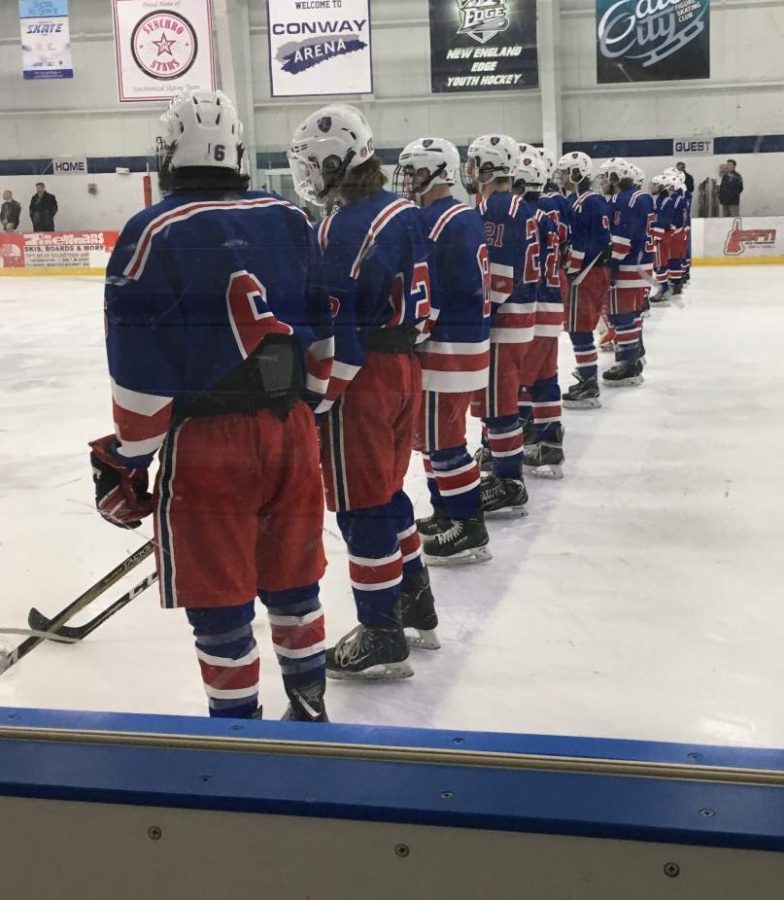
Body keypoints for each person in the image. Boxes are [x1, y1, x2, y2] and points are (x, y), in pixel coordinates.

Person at [88, 89, 333, 723]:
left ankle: (237, 737)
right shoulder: (294, 219)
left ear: (168, 154)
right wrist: (305, 410)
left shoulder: (153, 231)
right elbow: (326, 338)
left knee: (221, 596)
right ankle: (310, 706)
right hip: (293, 429)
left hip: (209, 445)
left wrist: (124, 457)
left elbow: (140, 376)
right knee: (293, 577)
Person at [289, 104, 438, 676]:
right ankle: (414, 599)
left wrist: (317, 400)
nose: (310, 174)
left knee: (360, 505)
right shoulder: (403, 212)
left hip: (365, 378)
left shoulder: (341, 225)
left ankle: (381, 629)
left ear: (336, 158)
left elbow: (341, 339)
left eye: (313, 163)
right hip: (404, 369)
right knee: (390, 491)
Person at [395, 137, 492, 565]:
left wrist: (408, 337)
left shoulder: (435, 220)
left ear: (437, 172)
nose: (409, 181)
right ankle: (446, 513)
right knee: (435, 440)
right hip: (465, 343)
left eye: (414, 171)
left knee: (444, 444)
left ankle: (468, 526)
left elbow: (427, 294)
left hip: (446, 348)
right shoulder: (463, 215)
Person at [466, 133, 538, 517]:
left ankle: (509, 480)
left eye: (477, 163)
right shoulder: (513, 205)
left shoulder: (497, 207)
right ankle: (502, 467)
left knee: (499, 406)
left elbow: (500, 277)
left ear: (490, 167)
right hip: (519, 315)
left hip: (505, 320)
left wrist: (480, 322)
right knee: (499, 402)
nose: (472, 170)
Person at [512, 153, 566, 478]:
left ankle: (504, 451)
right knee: (545, 380)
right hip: (551, 306)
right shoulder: (548, 216)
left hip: (528, 312)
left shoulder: (517, 216)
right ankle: (549, 445)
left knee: (516, 384)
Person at [556, 151, 612, 409]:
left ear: (579, 173)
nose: (563, 177)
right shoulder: (592, 200)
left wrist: (572, 270)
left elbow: (583, 243)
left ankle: (589, 384)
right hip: (595, 272)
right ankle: (588, 379)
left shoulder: (582, 203)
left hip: (587, 275)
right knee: (580, 330)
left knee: (580, 331)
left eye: (567, 172)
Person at [597, 157, 653, 387]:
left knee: (621, 315)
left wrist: (609, 266)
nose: (602, 183)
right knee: (634, 312)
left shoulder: (623, 200)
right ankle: (636, 354)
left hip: (628, 267)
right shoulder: (643, 197)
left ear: (615, 178)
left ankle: (628, 364)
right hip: (643, 265)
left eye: (605, 177)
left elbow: (621, 242)